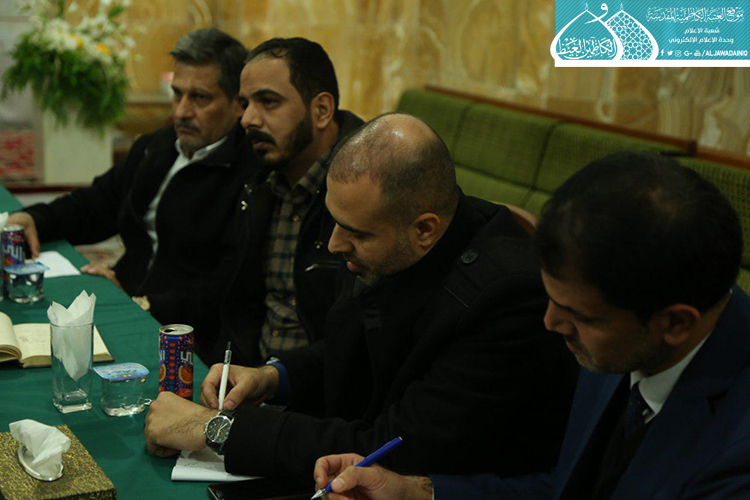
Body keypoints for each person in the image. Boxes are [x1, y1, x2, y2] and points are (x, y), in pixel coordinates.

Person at [144, 113, 578, 484]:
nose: (334, 244)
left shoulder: (506, 300)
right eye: (333, 221)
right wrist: (274, 377)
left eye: (355, 232)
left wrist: (221, 429)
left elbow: (389, 449)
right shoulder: (386, 238)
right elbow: (349, 344)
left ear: (424, 229)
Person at [313, 151, 750, 499]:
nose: (550, 322)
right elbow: (567, 487)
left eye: (578, 315)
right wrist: (414, 492)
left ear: (675, 323)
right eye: (552, 298)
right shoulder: (625, 331)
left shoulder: (735, 457)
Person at [9, 29, 252, 319]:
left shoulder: (249, 173)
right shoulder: (157, 146)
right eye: (177, 94)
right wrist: (35, 219)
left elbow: (228, 286)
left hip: (182, 325)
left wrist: (145, 304)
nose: (182, 112)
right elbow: (95, 205)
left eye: (200, 98)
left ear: (238, 104)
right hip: (124, 292)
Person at [154, 37, 364, 364]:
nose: (248, 119)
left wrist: (274, 379)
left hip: (319, 385)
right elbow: (235, 304)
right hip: (246, 375)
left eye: (268, 101)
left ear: (321, 110)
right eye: (245, 103)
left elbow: (361, 339)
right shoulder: (260, 181)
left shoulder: (365, 189)